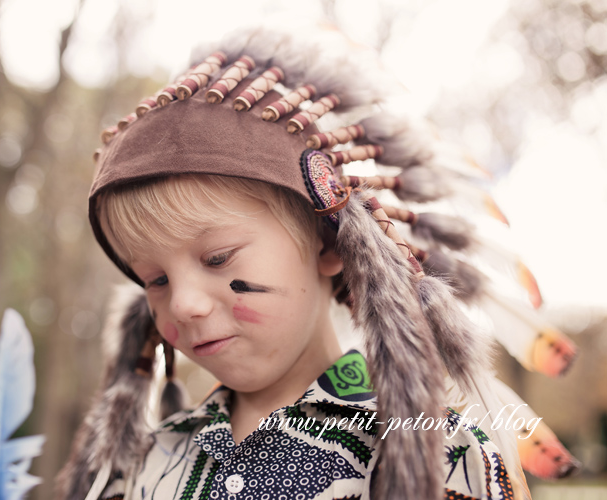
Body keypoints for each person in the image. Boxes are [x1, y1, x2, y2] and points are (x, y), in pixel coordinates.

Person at [57, 29, 526, 500]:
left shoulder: (446, 457)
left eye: (217, 258)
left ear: (327, 246)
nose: (183, 304)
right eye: (155, 280)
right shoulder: (146, 462)